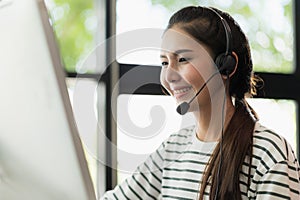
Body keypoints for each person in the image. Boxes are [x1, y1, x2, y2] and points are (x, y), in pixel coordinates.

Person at [101, 6, 300, 199]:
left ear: (225, 65)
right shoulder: (173, 148)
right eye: (164, 62)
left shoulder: (269, 153)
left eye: (183, 59)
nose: (168, 75)